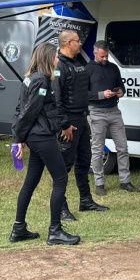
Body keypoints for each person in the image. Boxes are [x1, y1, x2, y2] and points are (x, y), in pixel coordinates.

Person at [10, 43, 80, 246]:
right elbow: (29, 112)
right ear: (49, 58)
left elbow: (20, 108)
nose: (58, 59)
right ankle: (55, 231)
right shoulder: (41, 81)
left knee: (31, 181)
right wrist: (19, 139)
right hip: (41, 137)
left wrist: (20, 137)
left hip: (35, 135)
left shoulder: (31, 78)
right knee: (61, 179)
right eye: (56, 56)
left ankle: (19, 228)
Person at [54, 30, 108, 221]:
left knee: (84, 161)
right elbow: (56, 98)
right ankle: (61, 208)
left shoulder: (77, 64)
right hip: (69, 123)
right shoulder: (59, 65)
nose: (80, 43)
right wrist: (64, 124)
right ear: (68, 43)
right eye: (77, 41)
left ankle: (86, 200)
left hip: (82, 118)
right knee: (63, 166)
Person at [87, 41, 140, 196]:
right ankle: (99, 183)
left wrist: (120, 92)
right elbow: (82, 94)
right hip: (96, 112)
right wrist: (102, 95)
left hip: (114, 111)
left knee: (122, 147)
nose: (105, 59)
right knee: (97, 149)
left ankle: (125, 181)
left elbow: (121, 86)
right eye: (102, 56)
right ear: (94, 53)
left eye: (106, 56)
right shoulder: (87, 70)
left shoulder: (113, 67)